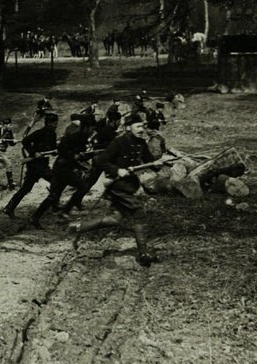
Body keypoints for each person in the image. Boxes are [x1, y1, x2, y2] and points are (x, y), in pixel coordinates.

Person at [70, 112, 159, 267]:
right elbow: (100, 160)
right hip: (118, 186)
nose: (141, 129)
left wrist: (159, 163)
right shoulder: (119, 142)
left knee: (115, 218)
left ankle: (78, 227)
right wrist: (117, 170)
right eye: (137, 126)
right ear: (128, 127)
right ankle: (143, 252)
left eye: (143, 126)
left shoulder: (141, 143)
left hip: (128, 185)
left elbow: (149, 161)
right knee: (139, 213)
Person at [29, 113, 90, 228]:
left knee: (53, 196)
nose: (93, 131)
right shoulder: (75, 135)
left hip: (62, 168)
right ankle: (65, 211)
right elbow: (62, 148)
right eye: (92, 128)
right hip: (63, 168)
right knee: (83, 186)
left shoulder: (83, 136)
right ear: (86, 127)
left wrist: (82, 155)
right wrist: (74, 156)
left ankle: (35, 217)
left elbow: (80, 154)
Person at [60, 109, 122, 213]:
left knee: (96, 182)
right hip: (101, 160)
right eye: (119, 121)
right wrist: (101, 149)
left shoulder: (111, 132)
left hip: (106, 161)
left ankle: (75, 202)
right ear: (114, 121)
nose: (119, 123)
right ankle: (73, 203)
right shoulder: (106, 131)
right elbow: (94, 142)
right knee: (90, 182)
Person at [3, 113, 58, 217]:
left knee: (26, 188)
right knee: (56, 182)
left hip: (41, 164)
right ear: (48, 123)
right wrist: (34, 152)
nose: (55, 126)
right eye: (54, 123)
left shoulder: (53, 134)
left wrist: (54, 151)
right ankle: (54, 205)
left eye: (56, 123)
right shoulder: (40, 133)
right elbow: (25, 141)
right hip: (36, 165)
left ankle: (9, 207)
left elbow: (53, 147)